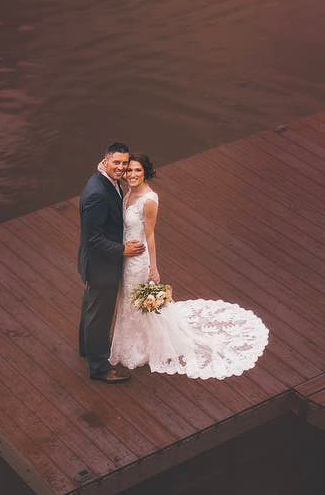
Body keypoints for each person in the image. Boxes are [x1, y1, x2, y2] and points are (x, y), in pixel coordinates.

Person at [109, 153, 269, 378]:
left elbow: (150, 236)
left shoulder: (149, 200)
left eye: (138, 170)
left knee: (137, 302)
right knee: (127, 300)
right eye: (129, 171)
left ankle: (142, 347)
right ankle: (129, 342)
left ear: (145, 173)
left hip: (139, 260)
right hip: (126, 255)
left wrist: (153, 268)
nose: (133, 175)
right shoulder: (128, 196)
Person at [78, 141, 144, 383]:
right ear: (105, 160)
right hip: (100, 265)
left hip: (95, 263)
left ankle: (86, 348)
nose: (121, 168)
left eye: (124, 163)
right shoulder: (96, 193)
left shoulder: (106, 180)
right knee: (100, 315)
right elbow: (92, 238)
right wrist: (122, 249)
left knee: (90, 306)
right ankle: (100, 368)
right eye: (116, 162)